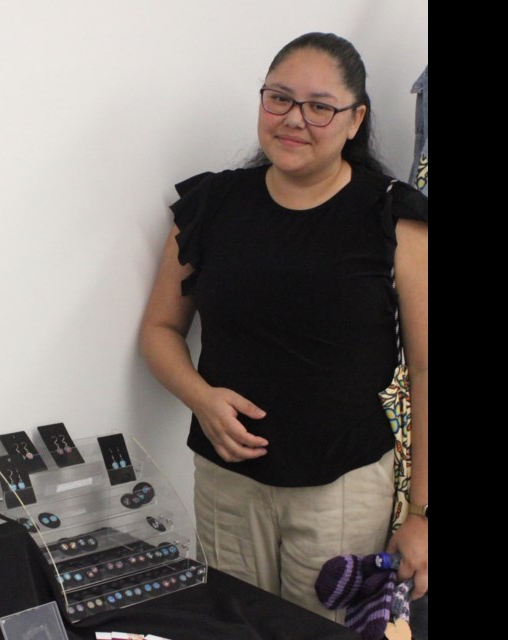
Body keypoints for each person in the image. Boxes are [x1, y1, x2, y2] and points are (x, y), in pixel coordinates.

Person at [139, 32, 427, 623]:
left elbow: (426, 370)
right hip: (226, 487)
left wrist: (421, 515)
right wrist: (201, 398)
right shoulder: (211, 203)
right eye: (279, 99)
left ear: (355, 120)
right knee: (232, 630)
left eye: (320, 106)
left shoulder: (393, 217)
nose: (294, 119)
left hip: (341, 492)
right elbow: (160, 329)